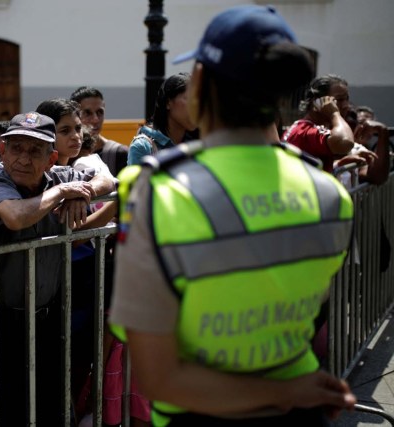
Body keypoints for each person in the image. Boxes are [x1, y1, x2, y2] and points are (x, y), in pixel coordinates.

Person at [110, 5, 356, 426]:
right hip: (304, 408)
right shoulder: (330, 194)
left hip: (204, 413)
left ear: (202, 81)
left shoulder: (159, 191)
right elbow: (312, 324)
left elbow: (158, 376)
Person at [0, 111, 115, 425]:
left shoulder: (60, 176)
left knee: (52, 403)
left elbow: (107, 180)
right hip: (1, 320)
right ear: (2, 151)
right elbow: (15, 216)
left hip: (50, 316)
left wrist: (85, 191)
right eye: (16, 148)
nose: (23, 159)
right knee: (8, 409)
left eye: (35, 150)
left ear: (51, 158)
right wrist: (63, 193)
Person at [283, 74, 355, 173]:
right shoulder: (304, 131)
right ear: (317, 102)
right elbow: (345, 142)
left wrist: (339, 164)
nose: (346, 105)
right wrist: (335, 113)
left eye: (347, 99)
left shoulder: (305, 127)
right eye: (339, 99)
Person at [127, 72, 198, 166]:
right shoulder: (143, 147)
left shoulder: (198, 145)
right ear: (168, 102)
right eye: (189, 99)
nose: (195, 107)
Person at [70, 86, 128, 176]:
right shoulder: (67, 153)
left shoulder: (119, 153)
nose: (95, 119)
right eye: (87, 113)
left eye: (100, 112)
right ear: (75, 116)